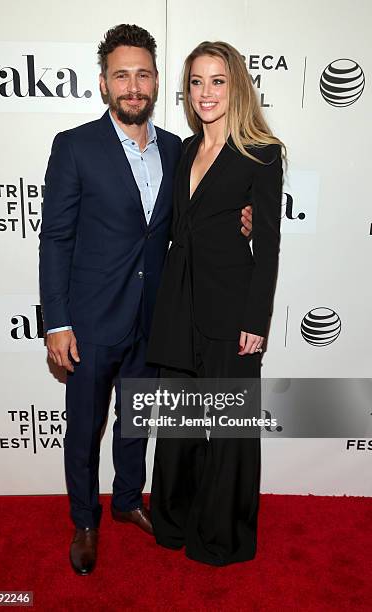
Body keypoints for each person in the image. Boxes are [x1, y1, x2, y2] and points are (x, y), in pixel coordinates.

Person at [39, 26, 253, 575]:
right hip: (90, 319)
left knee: (136, 420)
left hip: (158, 318)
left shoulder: (179, 150)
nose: (132, 86)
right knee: (85, 426)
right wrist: (57, 321)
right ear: (104, 83)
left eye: (142, 74)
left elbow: (206, 210)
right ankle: (85, 519)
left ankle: (130, 500)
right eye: (121, 75)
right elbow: (56, 239)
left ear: (157, 82)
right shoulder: (74, 146)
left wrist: (243, 218)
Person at [146, 41, 284, 566]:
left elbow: (267, 244)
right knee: (178, 427)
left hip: (233, 312)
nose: (206, 92)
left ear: (236, 86)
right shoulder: (183, 149)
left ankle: (222, 536)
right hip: (179, 306)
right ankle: (175, 521)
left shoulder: (261, 151)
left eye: (218, 81)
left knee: (229, 433)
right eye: (197, 82)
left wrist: (257, 320)